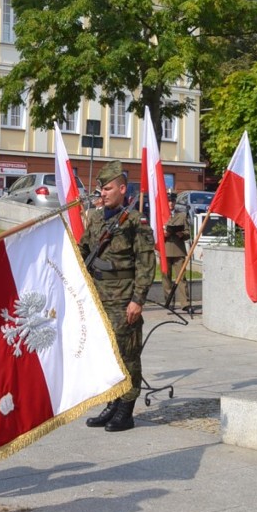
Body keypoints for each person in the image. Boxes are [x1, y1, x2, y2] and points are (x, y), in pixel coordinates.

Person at [80, 161, 156, 432]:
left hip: (124, 299)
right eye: (101, 189)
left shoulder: (135, 222)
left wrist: (138, 299)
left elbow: (146, 263)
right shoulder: (96, 217)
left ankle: (126, 409)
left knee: (127, 355)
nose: (103, 193)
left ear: (122, 189)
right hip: (99, 298)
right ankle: (112, 403)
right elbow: (83, 249)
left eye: (109, 188)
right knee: (107, 355)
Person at [163, 194, 191, 308]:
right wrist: (164, 234)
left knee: (181, 277)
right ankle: (169, 301)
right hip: (165, 249)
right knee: (166, 277)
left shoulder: (182, 215)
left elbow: (188, 233)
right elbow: (153, 234)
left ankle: (185, 303)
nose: (171, 203)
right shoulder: (161, 215)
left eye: (173, 201)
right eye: (169, 201)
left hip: (178, 250)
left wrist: (182, 234)